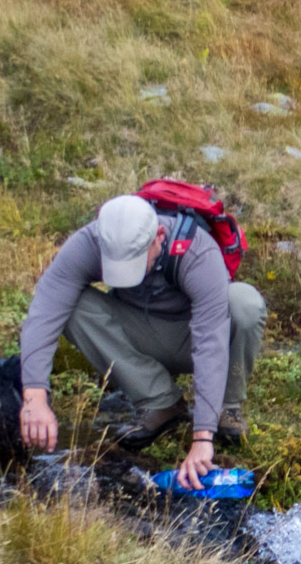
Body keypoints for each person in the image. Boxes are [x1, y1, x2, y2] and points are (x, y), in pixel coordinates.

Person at [17, 193, 267, 489]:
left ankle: (227, 409)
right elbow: (45, 312)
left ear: (158, 237)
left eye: (135, 263)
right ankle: (160, 401)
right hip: (137, 332)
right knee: (69, 305)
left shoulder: (197, 251)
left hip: (193, 337)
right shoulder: (88, 243)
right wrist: (34, 398)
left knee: (244, 302)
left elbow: (210, 343)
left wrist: (202, 437)